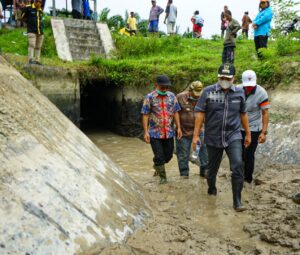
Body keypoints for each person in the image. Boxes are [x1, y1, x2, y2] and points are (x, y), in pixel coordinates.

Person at [192, 63, 251, 212]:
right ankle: (211, 187)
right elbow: (200, 113)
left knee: (237, 164)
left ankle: (237, 201)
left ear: (234, 78)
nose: (224, 79)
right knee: (212, 170)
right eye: (221, 77)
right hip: (213, 136)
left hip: (233, 135)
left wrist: (248, 133)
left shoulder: (239, 93)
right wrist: (195, 136)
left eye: (227, 77)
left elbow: (243, 114)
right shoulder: (208, 92)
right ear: (218, 77)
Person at [141, 75, 182, 184]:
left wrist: (178, 127)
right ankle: (163, 178)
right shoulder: (149, 97)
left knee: (168, 156)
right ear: (156, 85)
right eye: (162, 87)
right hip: (155, 133)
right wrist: (146, 131)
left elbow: (176, 112)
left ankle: (157, 166)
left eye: (166, 87)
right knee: (159, 156)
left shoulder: (172, 96)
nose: (164, 89)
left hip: (169, 132)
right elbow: (145, 114)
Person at [237, 70, 270, 184]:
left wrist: (263, 133)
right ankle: (238, 176)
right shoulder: (237, 90)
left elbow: (265, 113)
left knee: (249, 154)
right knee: (238, 153)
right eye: (247, 86)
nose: (249, 88)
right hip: (238, 127)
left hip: (254, 128)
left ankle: (247, 179)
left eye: (251, 86)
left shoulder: (261, 93)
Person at [176, 81, 208, 177]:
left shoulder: (204, 97)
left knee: (204, 150)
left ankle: (204, 171)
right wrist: (178, 127)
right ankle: (184, 174)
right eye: (195, 93)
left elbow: (206, 114)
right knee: (183, 153)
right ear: (190, 90)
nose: (197, 96)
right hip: (183, 130)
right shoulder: (180, 97)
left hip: (199, 130)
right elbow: (175, 112)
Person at [22, 0, 44, 65]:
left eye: (40, 2)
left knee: (38, 47)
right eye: (38, 1)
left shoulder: (40, 10)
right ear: (35, 1)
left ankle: (37, 60)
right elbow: (22, 17)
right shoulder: (28, 8)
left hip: (40, 31)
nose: (39, 3)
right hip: (31, 31)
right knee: (32, 45)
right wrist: (29, 23)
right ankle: (30, 60)